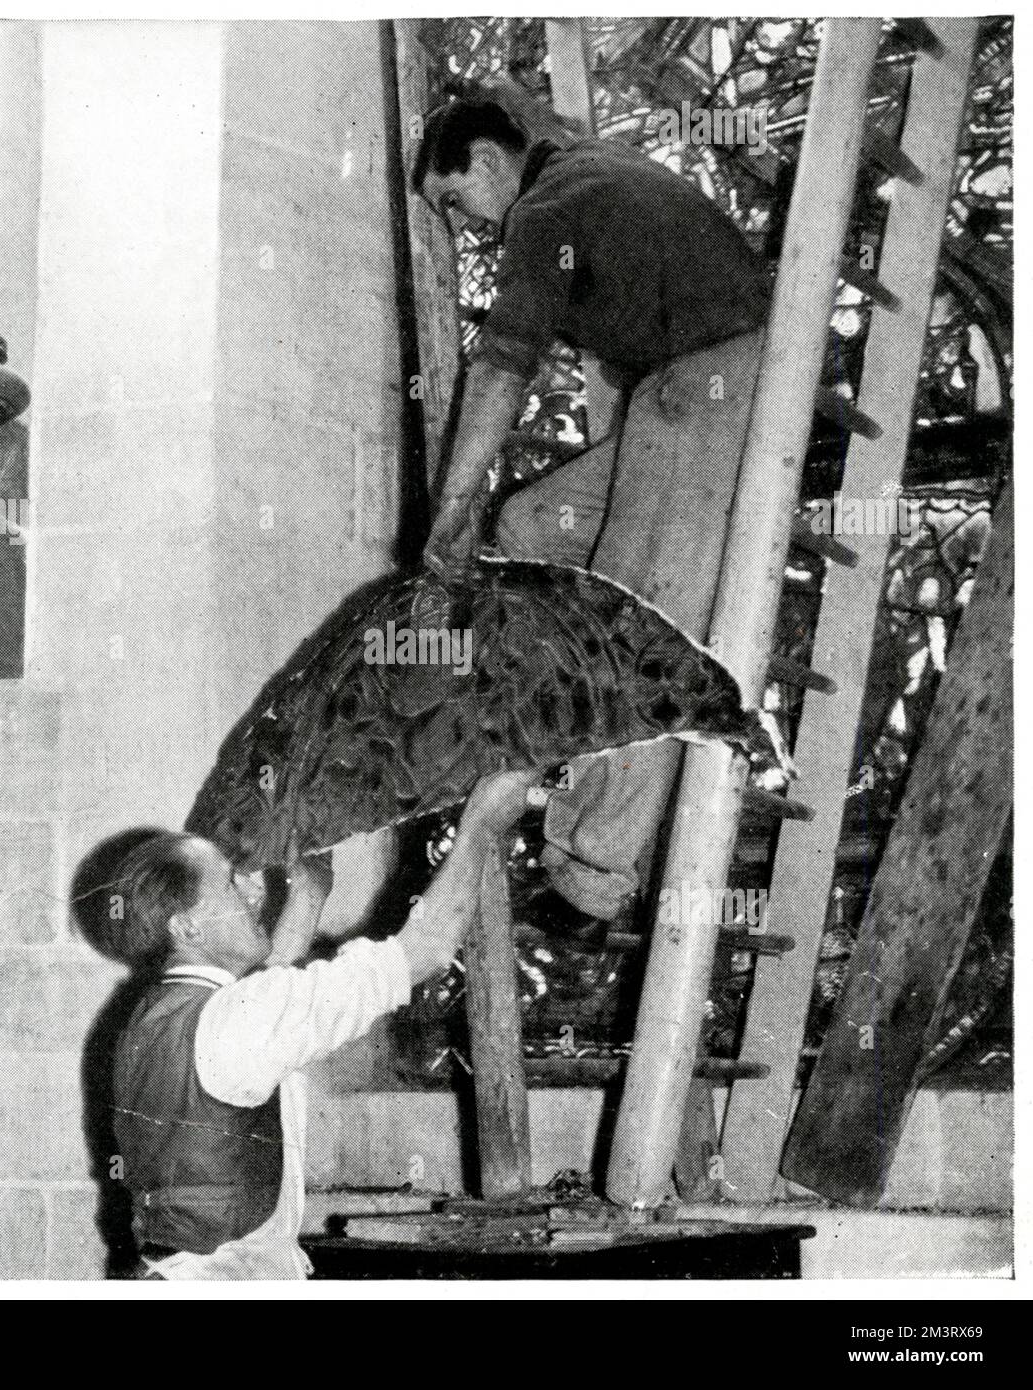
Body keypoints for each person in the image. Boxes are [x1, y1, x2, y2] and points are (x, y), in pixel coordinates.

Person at [412, 90, 772, 918]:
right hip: (686, 391)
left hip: (713, 392)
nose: (464, 227)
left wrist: (451, 506)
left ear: (489, 161)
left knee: (629, 622)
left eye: (456, 202)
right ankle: (541, 714)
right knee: (530, 527)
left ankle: (592, 870)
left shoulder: (544, 210)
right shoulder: (589, 170)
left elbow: (503, 368)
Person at [85, 768, 541, 1279]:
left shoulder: (151, 1019)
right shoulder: (237, 1021)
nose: (253, 888)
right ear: (186, 926)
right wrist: (482, 822)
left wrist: (309, 892)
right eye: (229, 883)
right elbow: (427, 950)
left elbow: (263, 1013)